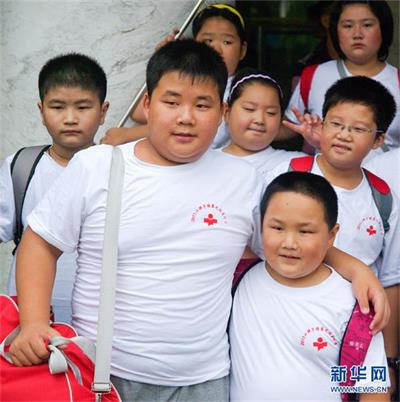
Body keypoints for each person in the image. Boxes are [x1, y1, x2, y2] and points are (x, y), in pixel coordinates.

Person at [9, 40, 390, 402]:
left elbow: (283, 241)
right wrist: (34, 322)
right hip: (105, 373)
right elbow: (40, 242)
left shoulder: (243, 180)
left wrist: (356, 270)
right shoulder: (97, 166)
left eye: (202, 104)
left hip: (204, 381)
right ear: (148, 104)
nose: (186, 117)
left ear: (222, 112)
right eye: (172, 101)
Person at [268, 76, 399, 399]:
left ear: (379, 139)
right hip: (280, 322)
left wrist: (388, 361)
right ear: (322, 124)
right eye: (336, 123)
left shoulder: (384, 198)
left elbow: (390, 281)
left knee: (345, 392)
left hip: (353, 334)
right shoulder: (286, 174)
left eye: (358, 129)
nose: (343, 134)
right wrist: (354, 268)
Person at [230, 171, 390, 401]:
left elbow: (372, 390)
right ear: (260, 226)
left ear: (331, 235)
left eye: (305, 231)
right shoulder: (239, 279)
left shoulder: (355, 306)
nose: (289, 243)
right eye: (277, 228)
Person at [0, 53, 109, 323]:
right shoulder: (21, 166)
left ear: (103, 111)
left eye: (83, 107)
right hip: (27, 321)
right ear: (41, 111)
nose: (70, 118)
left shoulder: (117, 170)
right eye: (58, 107)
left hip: (97, 322)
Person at [101, 3, 247, 149]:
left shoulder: (240, 90)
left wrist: (128, 135)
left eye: (227, 42)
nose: (216, 48)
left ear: (242, 50)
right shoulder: (184, 79)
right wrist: (167, 61)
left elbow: (210, 131)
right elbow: (139, 112)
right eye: (208, 41)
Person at [281, 0, 399, 155]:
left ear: (384, 29)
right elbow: (288, 128)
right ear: (335, 31)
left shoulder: (397, 80)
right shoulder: (314, 75)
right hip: (326, 171)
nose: (357, 34)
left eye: (367, 25)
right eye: (348, 26)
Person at [222, 67, 305, 178]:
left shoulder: (297, 163)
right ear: (226, 112)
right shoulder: (205, 160)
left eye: (271, 113)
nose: (260, 120)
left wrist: (319, 142)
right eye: (249, 109)